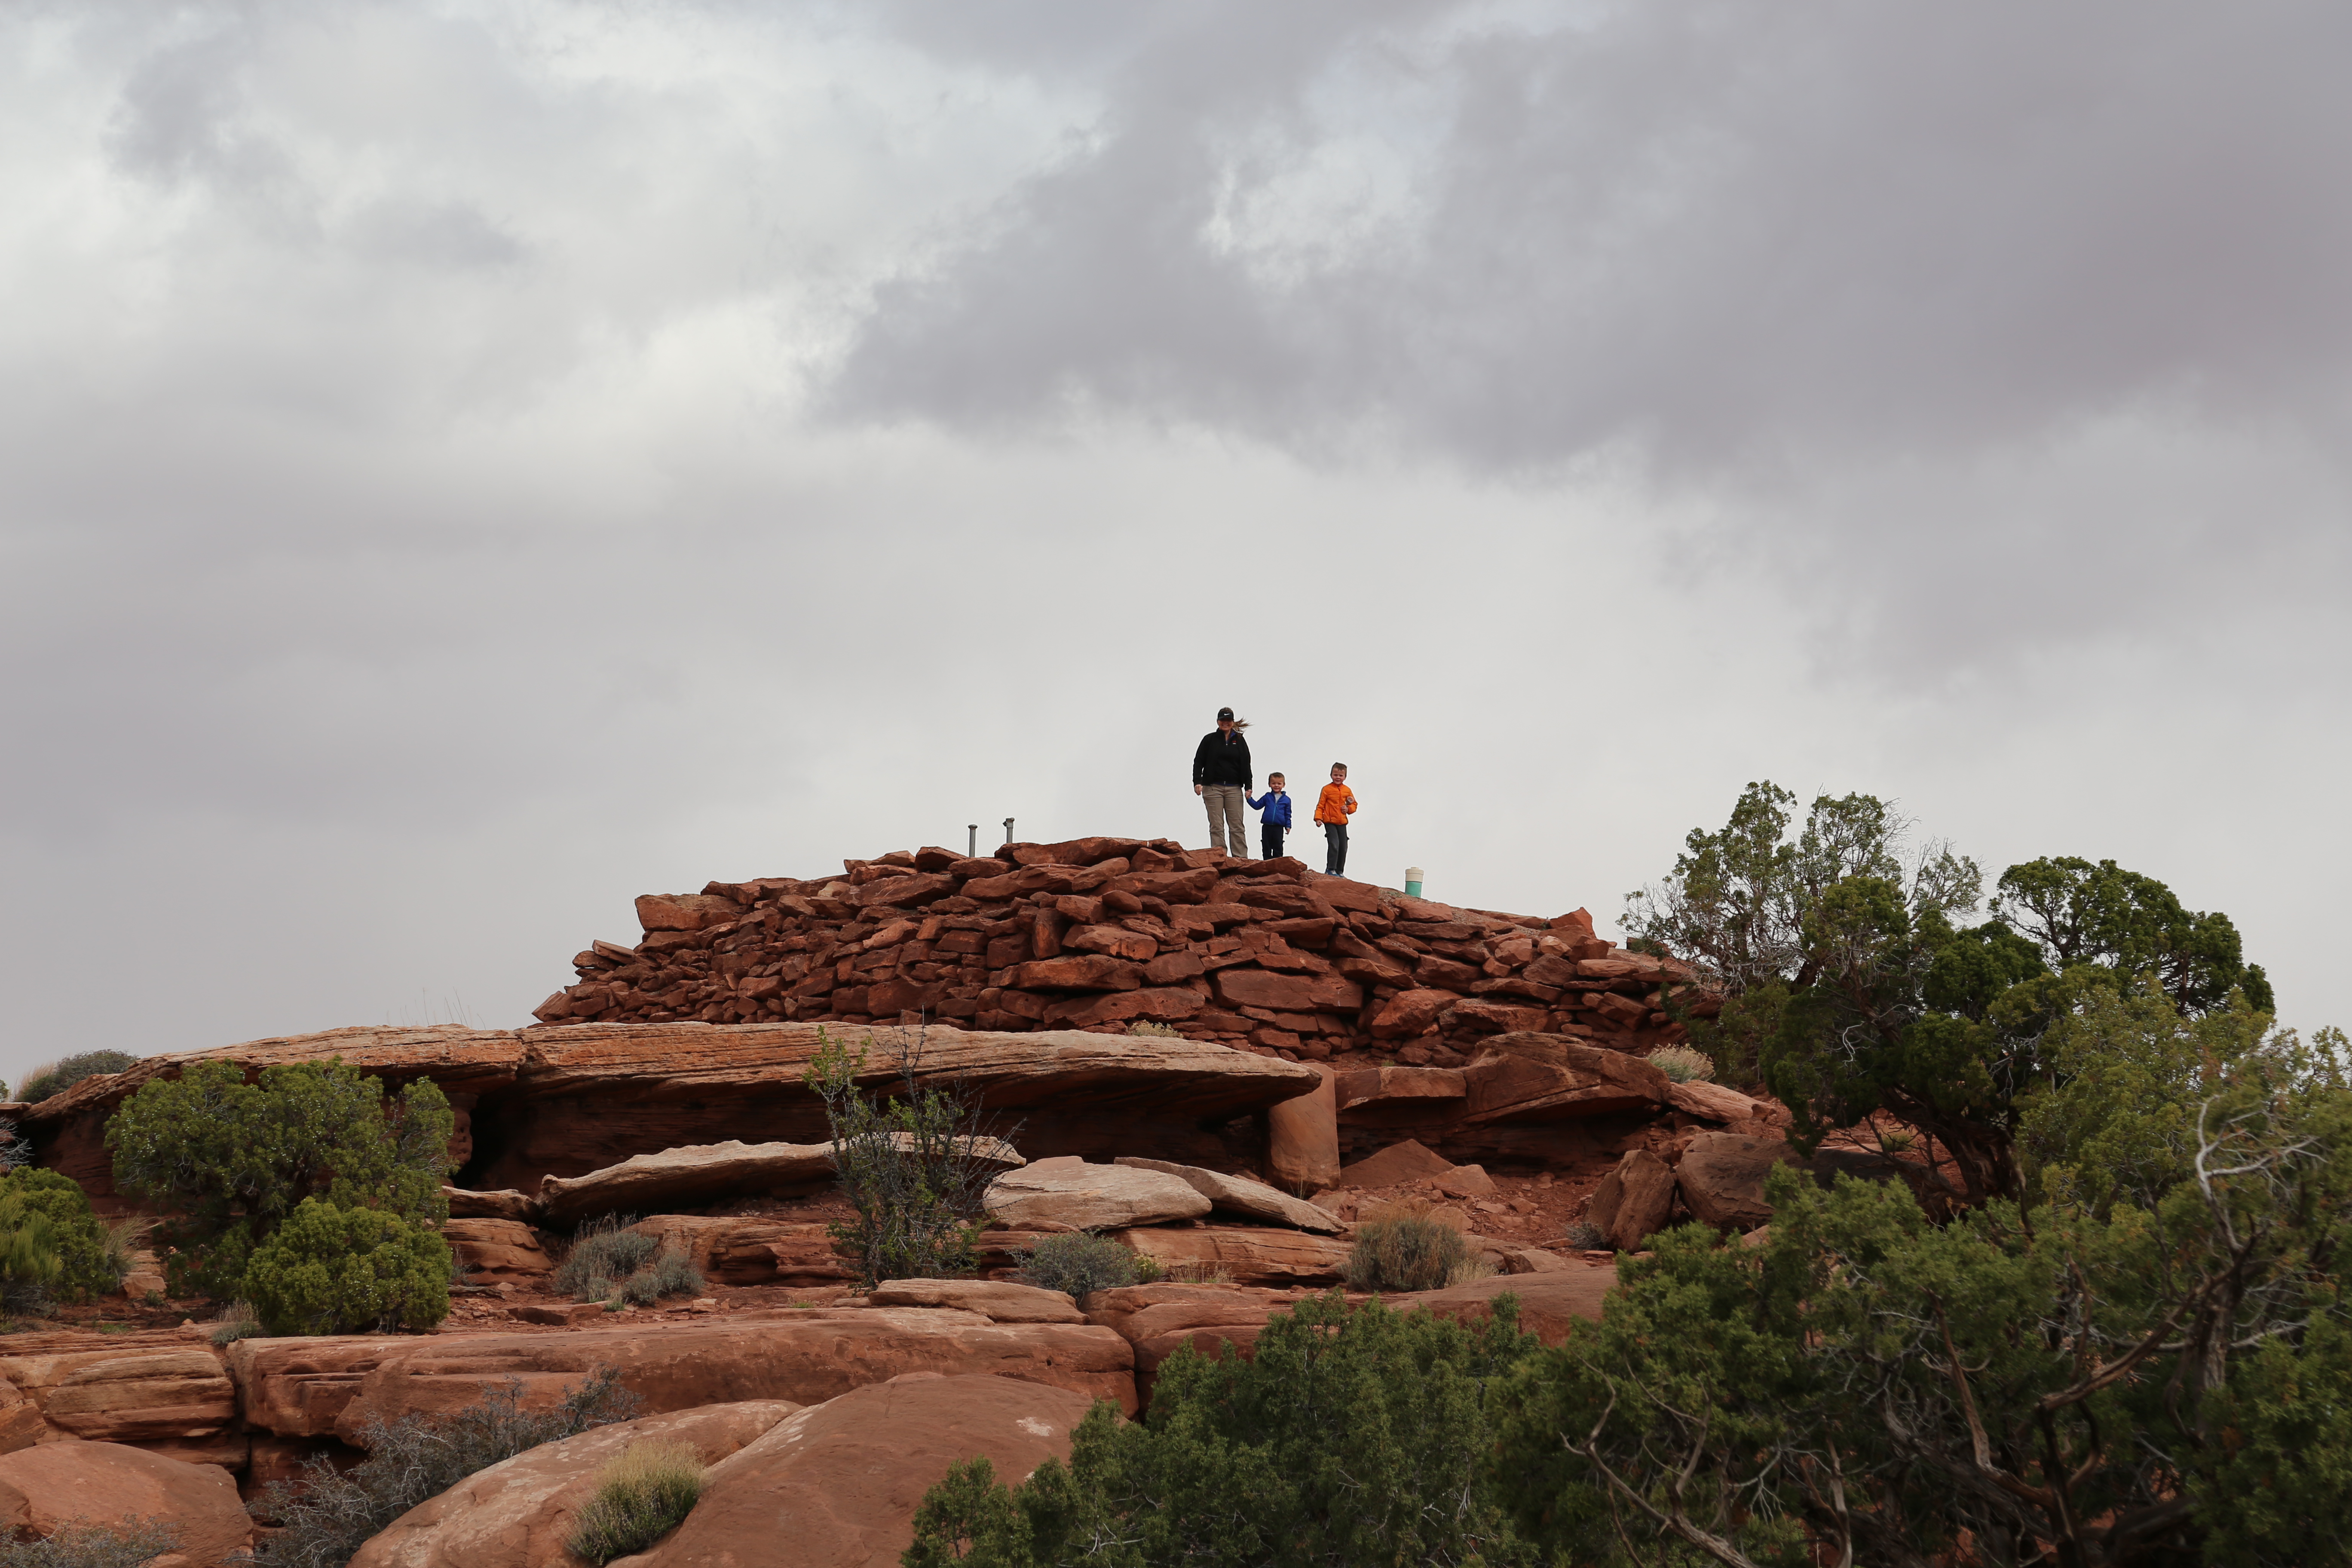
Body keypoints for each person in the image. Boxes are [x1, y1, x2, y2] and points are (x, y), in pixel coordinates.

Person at [1191, 707, 1253, 859]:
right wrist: (1197, 781)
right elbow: (1199, 761)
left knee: (1237, 825)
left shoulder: (1239, 740)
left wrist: (1249, 786)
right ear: (1218, 721)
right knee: (1217, 825)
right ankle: (1219, 858)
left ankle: (1241, 859)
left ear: (1232, 722)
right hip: (1212, 787)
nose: (1225, 723)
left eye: (1228, 721)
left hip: (1234, 788)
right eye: (1223, 720)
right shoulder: (1209, 739)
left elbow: (1246, 764)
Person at [1314, 763, 1357, 876]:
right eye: (1336, 775)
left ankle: (1340, 871)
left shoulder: (1347, 790)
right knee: (1334, 844)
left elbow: (1354, 804)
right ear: (1331, 775)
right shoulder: (1327, 789)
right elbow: (1321, 805)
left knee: (1343, 846)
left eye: (1341, 776)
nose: (1338, 777)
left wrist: (1348, 809)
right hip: (1329, 821)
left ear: (1345, 777)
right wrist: (1318, 818)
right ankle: (1330, 869)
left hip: (1342, 822)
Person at [1247, 772, 1293, 861]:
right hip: (1267, 825)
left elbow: (1288, 814)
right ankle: (1267, 863)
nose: (1276, 785)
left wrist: (1288, 826)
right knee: (1266, 844)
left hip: (1279, 827)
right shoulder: (1267, 797)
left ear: (1284, 785)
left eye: (1279, 784)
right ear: (1270, 784)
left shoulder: (1287, 800)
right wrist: (1250, 799)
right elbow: (1257, 806)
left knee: (1278, 845)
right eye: (1274, 783)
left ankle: (1278, 863)